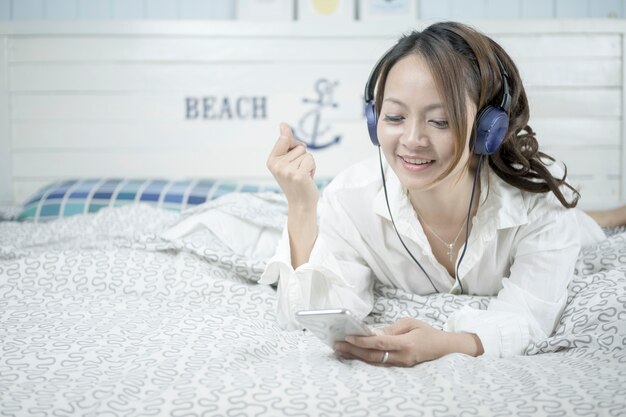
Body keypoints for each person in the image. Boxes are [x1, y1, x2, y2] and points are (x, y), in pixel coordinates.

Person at [260, 21, 608, 367]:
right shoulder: (351, 200)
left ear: (488, 128)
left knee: (583, 226)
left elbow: (531, 316)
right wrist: (302, 206)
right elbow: (312, 311)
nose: (411, 140)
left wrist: (446, 343)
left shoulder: (541, 204)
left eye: (439, 121)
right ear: (373, 119)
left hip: (569, 227)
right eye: (394, 116)